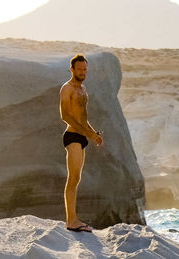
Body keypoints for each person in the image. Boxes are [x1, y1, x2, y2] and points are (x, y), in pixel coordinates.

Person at [59, 54, 103, 232]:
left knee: (77, 179)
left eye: (85, 69)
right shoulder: (67, 88)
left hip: (83, 136)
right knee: (73, 179)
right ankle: (71, 221)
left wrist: (93, 133)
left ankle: (73, 219)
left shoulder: (83, 90)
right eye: (79, 69)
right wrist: (87, 134)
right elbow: (65, 116)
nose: (82, 72)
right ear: (72, 69)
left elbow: (83, 118)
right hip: (72, 137)